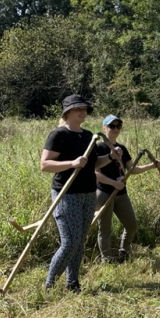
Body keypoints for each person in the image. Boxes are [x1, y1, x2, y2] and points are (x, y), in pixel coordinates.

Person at [40, 95, 116, 292]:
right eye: (77, 109)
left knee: (80, 241)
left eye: (84, 109)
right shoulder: (59, 135)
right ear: (67, 112)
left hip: (88, 193)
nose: (82, 112)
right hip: (66, 194)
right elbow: (45, 164)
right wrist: (72, 163)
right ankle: (49, 285)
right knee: (69, 243)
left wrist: (110, 157)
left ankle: (72, 283)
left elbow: (92, 164)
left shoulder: (88, 135)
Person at [95, 114, 160, 263]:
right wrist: (113, 183)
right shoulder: (98, 147)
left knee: (131, 225)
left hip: (121, 193)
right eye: (112, 126)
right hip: (105, 193)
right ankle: (107, 260)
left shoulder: (121, 148)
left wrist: (151, 166)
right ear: (104, 128)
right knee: (105, 229)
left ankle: (124, 252)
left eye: (118, 126)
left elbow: (132, 169)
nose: (115, 129)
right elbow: (94, 173)